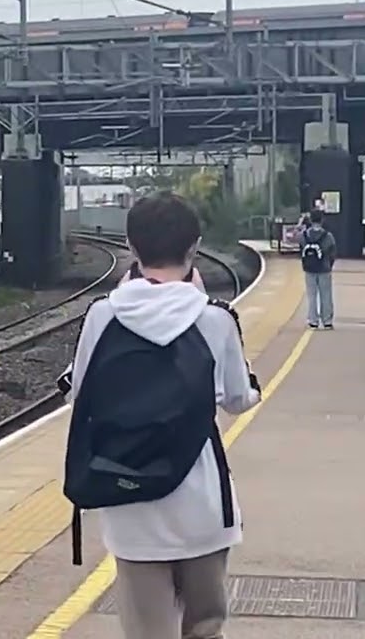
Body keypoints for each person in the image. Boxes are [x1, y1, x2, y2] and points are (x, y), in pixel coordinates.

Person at [58, 191, 261, 639]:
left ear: (131, 247)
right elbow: (237, 398)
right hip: (201, 504)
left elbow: (78, 394)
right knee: (205, 628)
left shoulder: (102, 315)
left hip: (128, 501)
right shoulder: (215, 319)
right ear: (194, 248)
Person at [299, 209, 337, 329]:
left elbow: (301, 250)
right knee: (326, 295)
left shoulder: (304, 235)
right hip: (324, 269)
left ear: (310, 220)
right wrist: (329, 265)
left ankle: (313, 320)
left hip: (309, 269)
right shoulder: (328, 236)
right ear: (322, 220)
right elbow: (333, 253)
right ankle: (327, 321)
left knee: (312, 295)